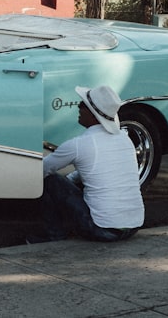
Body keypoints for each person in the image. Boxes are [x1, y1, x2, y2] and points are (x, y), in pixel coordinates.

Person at [28, 85, 145, 243]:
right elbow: (94, 169)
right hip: (134, 226)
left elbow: (40, 170)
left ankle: (53, 234)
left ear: (92, 113)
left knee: (51, 181)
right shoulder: (125, 139)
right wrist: (69, 180)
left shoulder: (79, 144)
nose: (78, 106)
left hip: (100, 229)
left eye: (83, 104)